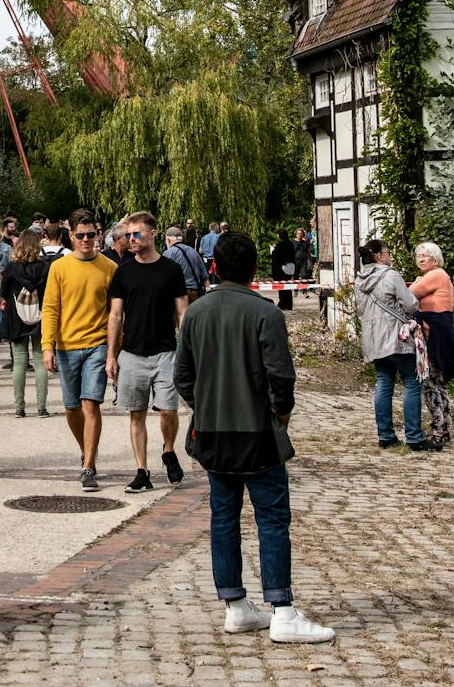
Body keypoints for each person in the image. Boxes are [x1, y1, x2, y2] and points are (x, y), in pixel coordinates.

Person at [174, 230, 333, 644]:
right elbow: (281, 375)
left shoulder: (196, 313)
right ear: (253, 268)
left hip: (211, 431)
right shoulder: (266, 314)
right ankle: (281, 608)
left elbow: (182, 377)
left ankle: (235, 605)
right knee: (272, 518)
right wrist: (280, 411)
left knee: (223, 518)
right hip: (257, 430)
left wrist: (205, 405)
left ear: (215, 266)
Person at [106, 212, 188, 492]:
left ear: (153, 233)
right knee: (136, 414)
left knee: (168, 410)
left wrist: (187, 349)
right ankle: (142, 470)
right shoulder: (124, 272)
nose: (131, 240)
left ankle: (168, 450)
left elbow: (183, 313)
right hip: (132, 353)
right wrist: (111, 355)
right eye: (128, 235)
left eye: (137, 234)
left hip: (165, 351)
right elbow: (115, 315)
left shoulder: (171, 270)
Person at [42, 208, 117, 491]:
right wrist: (47, 346)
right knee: (72, 408)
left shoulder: (110, 268)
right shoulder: (59, 268)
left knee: (91, 404)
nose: (87, 240)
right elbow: (50, 308)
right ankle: (86, 450)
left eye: (91, 235)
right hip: (67, 346)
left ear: (98, 235)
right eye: (81, 235)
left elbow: (115, 313)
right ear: (71, 236)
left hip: (97, 344)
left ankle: (88, 466)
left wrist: (114, 349)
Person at [353, 239, 424, 450]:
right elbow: (411, 304)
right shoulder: (391, 275)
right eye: (387, 252)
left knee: (383, 382)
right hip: (396, 337)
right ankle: (414, 437)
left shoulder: (359, 280)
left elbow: (360, 310)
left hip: (374, 340)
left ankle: (386, 436)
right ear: (378, 255)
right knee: (412, 382)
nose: (390, 255)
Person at [409, 242, 454, 451]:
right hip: (437, 331)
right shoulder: (435, 275)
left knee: (430, 383)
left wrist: (414, 284)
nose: (421, 259)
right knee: (437, 383)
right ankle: (444, 428)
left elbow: (411, 293)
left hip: (436, 334)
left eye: (426, 256)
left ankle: (438, 430)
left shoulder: (436, 275)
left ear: (435, 258)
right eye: (419, 256)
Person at [0, 229, 51, 417]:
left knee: (20, 361)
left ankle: (19, 407)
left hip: (16, 316)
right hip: (41, 315)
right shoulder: (45, 267)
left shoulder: (12, 268)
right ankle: (41, 407)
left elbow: (4, 291)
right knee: (39, 361)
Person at [162, 225, 206, 301]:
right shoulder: (193, 252)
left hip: (179, 294)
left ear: (168, 240)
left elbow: (163, 276)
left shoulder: (168, 253)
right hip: (195, 292)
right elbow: (204, 275)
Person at [270, 229, 297, 311]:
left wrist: (273, 250)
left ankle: (283, 303)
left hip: (282, 268)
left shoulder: (280, 244)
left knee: (281, 286)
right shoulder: (290, 243)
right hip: (290, 266)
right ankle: (289, 304)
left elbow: (277, 255)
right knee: (288, 286)